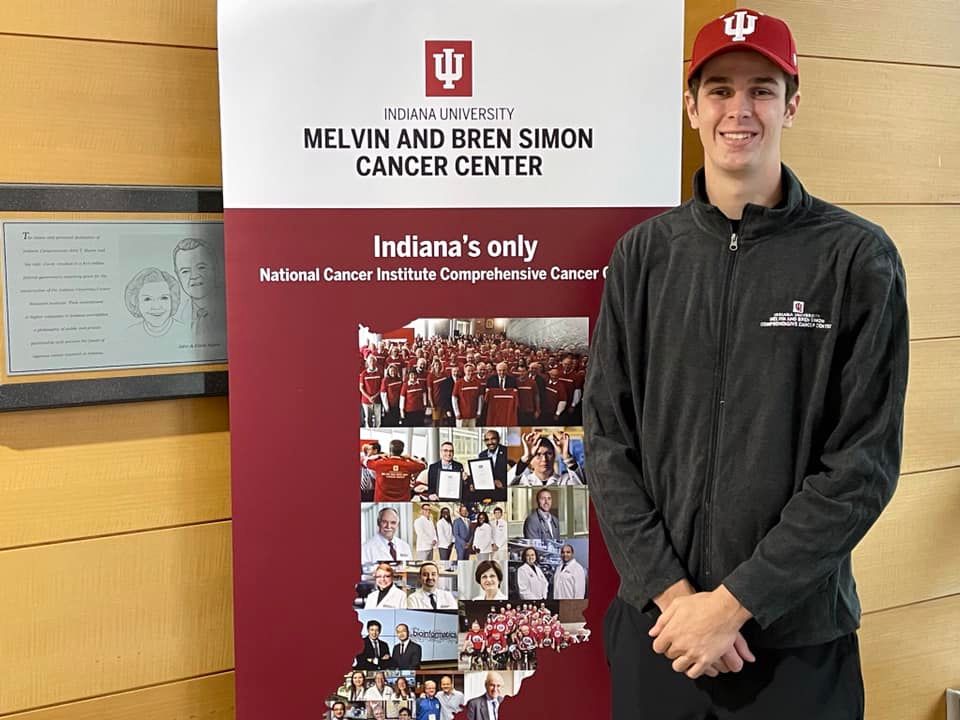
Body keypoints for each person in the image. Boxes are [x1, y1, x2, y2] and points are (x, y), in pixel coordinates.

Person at [583, 9, 908, 719]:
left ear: (793, 102)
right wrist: (678, 601)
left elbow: (862, 467)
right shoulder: (643, 258)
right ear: (690, 103)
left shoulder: (857, 259)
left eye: (761, 88)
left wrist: (734, 605)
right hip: (660, 635)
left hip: (793, 643)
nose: (740, 109)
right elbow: (607, 442)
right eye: (721, 88)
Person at [172, 237, 224, 341]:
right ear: (178, 275)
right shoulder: (175, 317)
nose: (194, 276)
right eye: (185, 271)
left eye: (201, 267)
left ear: (215, 269)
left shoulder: (231, 311)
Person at [122, 267, 188, 342]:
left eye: (163, 298)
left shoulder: (185, 331)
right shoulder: (129, 334)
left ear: (173, 300)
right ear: (136, 302)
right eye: (148, 299)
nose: (156, 307)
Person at [511, 432, 584, 486]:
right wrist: (525, 458)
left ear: (554, 456)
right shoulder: (523, 481)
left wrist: (567, 457)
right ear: (530, 460)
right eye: (538, 454)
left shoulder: (565, 480)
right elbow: (505, 486)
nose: (544, 459)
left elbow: (581, 486)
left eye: (548, 453)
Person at [360, 355, 384, 428]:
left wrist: (375, 396)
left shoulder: (380, 372)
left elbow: (382, 387)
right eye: (370, 361)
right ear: (367, 362)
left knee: (378, 420)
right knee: (368, 419)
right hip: (366, 401)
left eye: (373, 361)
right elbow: (361, 388)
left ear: (376, 362)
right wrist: (369, 397)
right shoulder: (363, 374)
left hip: (377, 400)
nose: (372, 362)